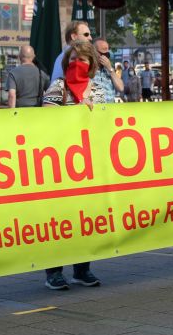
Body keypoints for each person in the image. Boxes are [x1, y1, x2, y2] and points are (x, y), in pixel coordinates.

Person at [41, 40, 105, 290]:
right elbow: (45, 119)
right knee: (59, 220)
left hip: (89, 165)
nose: (78, 63)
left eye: (83, 59)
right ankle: (54, 272)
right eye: (74, 59)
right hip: (61, 165)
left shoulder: (98, 90)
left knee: (85, 220)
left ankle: (82, 269)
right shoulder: (58, 87)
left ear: (91, 64)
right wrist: (77, 112)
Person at [92, 39, 124, 103]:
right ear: (94, 52)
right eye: (102, 53)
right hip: (95, 110)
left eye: (107, 54)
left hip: (110, 110)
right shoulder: (88, 70)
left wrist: (110, 69)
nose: (105, 57)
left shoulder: (109, 70)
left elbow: (121, 88)